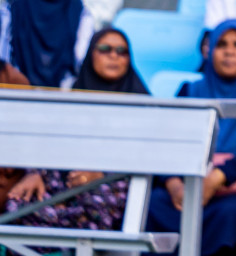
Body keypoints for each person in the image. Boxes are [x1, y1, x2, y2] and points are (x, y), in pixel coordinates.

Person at [146, 20, 236, 256]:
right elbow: (169, 142)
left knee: (232, 215)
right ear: (209, 51)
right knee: (153, 206)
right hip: (187, 186)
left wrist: (217, 178)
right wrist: (173, 184)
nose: (229, 51)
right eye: (221, 44)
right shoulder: (189, 92)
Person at [5, 28, 148, 230]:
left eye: (121, 51)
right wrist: (37, 174)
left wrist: (101, 176)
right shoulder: (71, 98)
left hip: (113, 187)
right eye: (105, 49)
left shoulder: (144, 106)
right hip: (63, 182)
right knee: (18, 202)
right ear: (91, 54)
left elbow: (145, 158)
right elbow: (50, 144)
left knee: (93, 206)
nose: (113, 56)